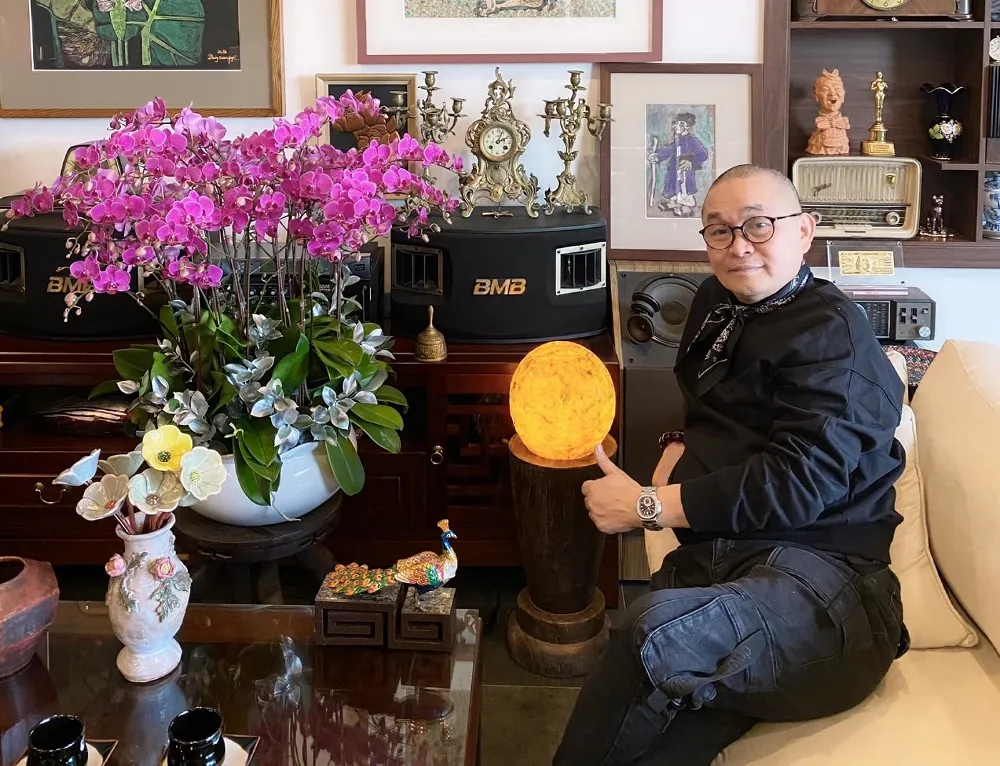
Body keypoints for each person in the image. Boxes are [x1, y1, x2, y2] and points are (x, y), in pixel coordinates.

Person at [553, 164, 909, 766]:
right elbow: (718, 405)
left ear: (804, 231)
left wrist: (648, 507)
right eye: (719, 230)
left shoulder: (833, 336)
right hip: (724, 558)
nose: (738, 245)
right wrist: (679, 447)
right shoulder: (717, 301)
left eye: (758, 225)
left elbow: (798, 483)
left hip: (826, 584)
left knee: (653, 633)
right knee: (656, 742)